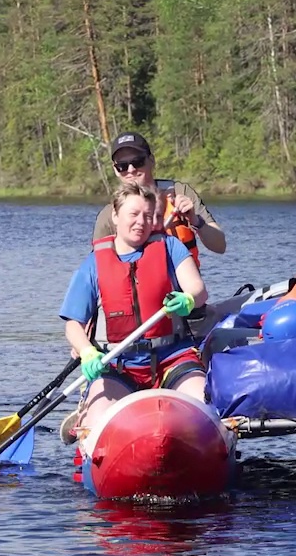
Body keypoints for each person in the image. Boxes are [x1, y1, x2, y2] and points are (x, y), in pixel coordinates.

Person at [59, 182, 210, 443]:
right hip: (118, 364)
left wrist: (188, 299)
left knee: (203, 402)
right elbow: (73, 324)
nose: (141, 222)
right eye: (133, 214)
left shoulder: (170, 247)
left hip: (172, 357)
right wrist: (86, 351)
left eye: (148, 216)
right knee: (100, 421)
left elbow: (198, 290)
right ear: (116, 216)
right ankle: (89, 418)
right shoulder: (94, 263)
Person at [96, 131, 227, 258]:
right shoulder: (109, 215)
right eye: (122, 166)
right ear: (116, 170)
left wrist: (196, 221)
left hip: (185, 278)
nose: (131, 170)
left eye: (138, 162)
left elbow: (220, 247)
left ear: (151, 160)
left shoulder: (180, 193)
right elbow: (98, 267)